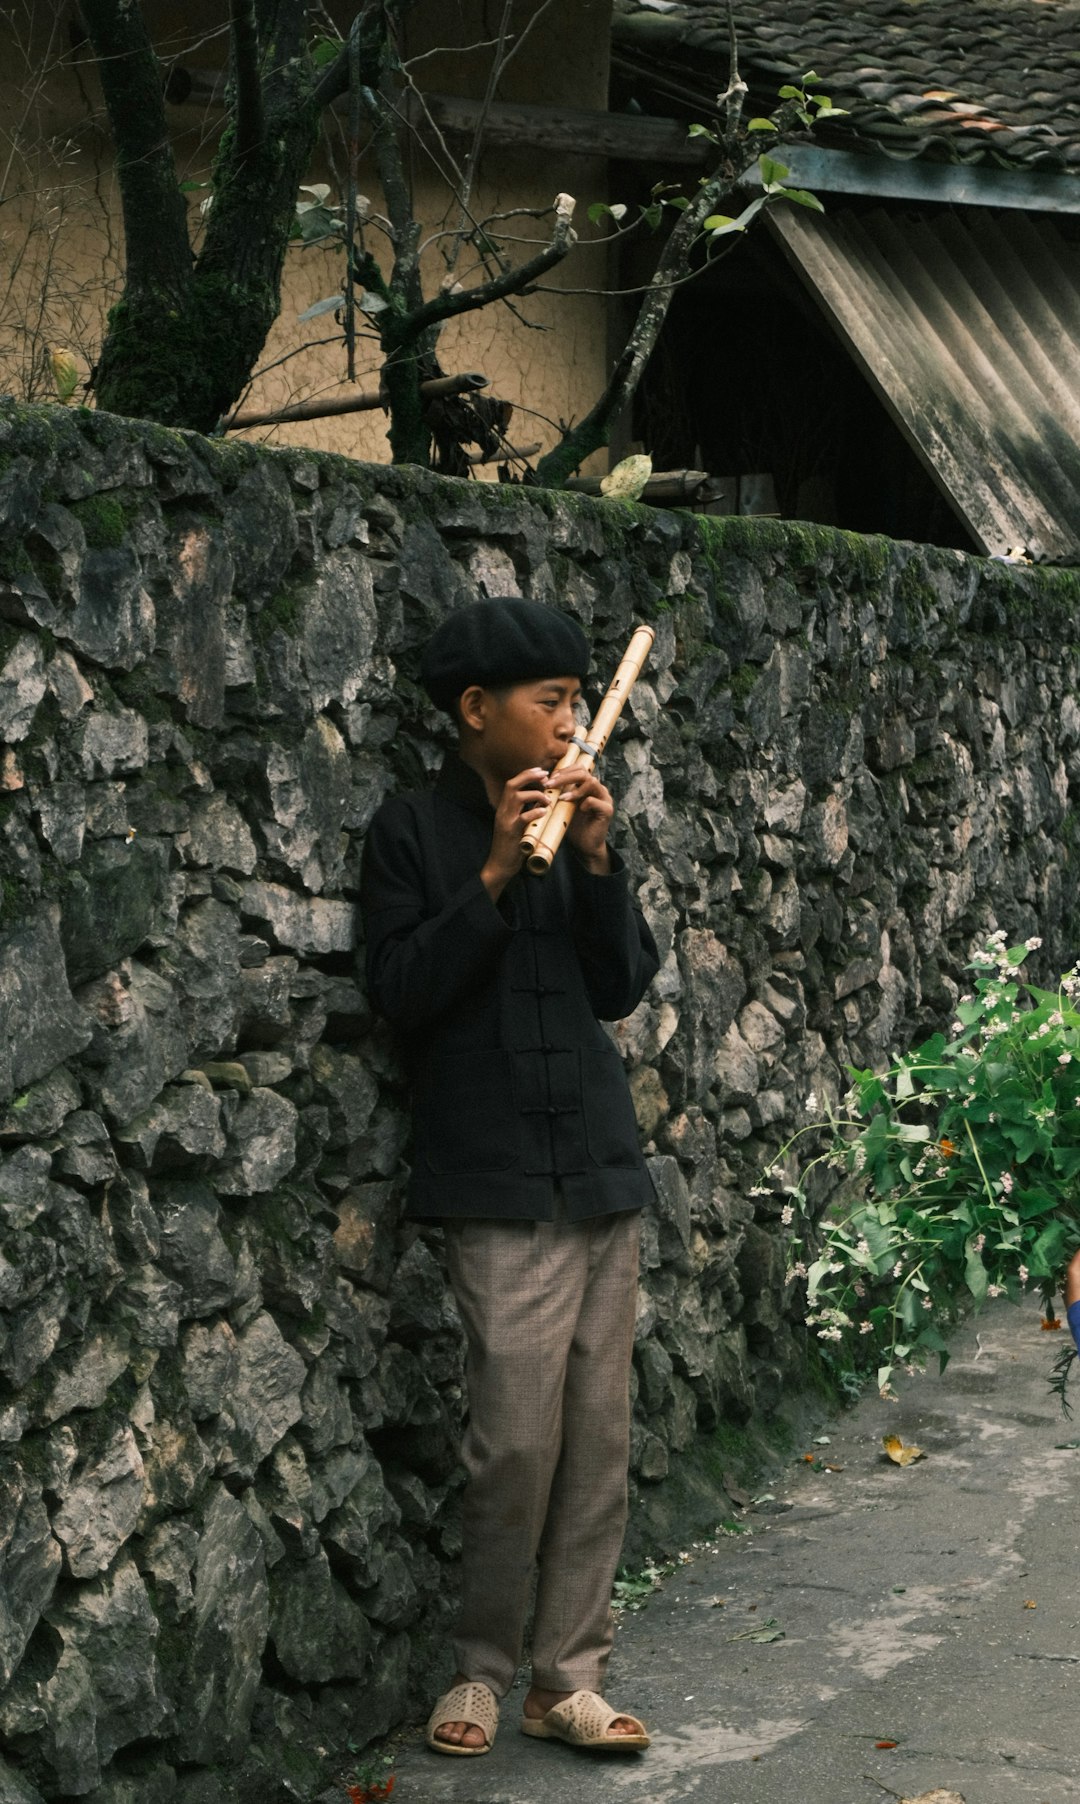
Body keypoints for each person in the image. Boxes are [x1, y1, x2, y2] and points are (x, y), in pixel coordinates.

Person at [360, 597, 659, 1758]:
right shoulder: (413, 833)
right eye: (551, 703)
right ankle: (482, 1669)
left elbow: (619, 986)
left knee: (596, 1441)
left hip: (596, 1170)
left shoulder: (576, 823)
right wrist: (489, 875)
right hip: (494, 1182)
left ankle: (567, 1676)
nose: (570, 723)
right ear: (477, 711)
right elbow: (400, 989)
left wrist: (592, 862)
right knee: (514, 1444)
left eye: (580, 701)